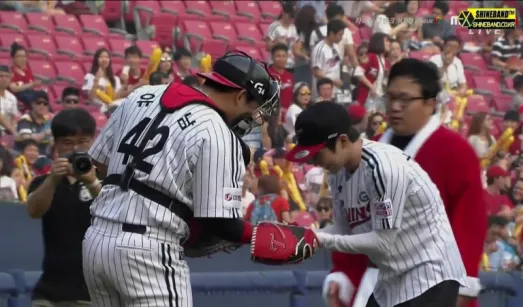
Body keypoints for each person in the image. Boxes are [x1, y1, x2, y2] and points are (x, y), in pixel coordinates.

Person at [82, 51, 280, 306]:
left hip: (95, 243)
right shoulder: (219, 131)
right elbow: (221, 223)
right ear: (241, 96)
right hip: (149, 250)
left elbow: (97, 163)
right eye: (254, 109)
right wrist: (262, 235)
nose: (253, 118)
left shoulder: (141, 95)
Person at [322, 59, 486, 307]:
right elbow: (354, 221)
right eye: (391, 98)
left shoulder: (456, 152)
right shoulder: (368, 150)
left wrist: (463, 284)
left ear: (430, 103)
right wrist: (344, 273)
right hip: (376, 283)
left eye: (405, 100)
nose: (395, 107)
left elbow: (469, 224)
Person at [285, 101, 468, 307]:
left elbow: (382, 243)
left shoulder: (382, 168)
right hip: (393, 275)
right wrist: (301, 237)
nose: (313, 162)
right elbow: (345, 230)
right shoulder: (337, 173)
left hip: (431, 273)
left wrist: (318, 238)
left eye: (317, 154)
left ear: (343, 141)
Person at [26, 108, 99, 307]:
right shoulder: (43, 182)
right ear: (56, 146)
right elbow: (33, 211)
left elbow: (116, 213)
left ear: (93, 142)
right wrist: (52, 180)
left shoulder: (107, 182)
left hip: (93, 294)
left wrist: (91, 182)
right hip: (49, 293)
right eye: (68, 143)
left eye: (83, 142)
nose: (76, 149)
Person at [311, 19, 346, 101]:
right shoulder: (319, 49)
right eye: (340, 35)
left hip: (336, 90)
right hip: (323, 92)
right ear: (331, 34)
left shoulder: (335, 47)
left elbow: (336, 63)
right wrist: (334, 82)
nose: (341, 38)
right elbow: (317, 73)